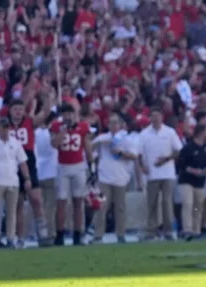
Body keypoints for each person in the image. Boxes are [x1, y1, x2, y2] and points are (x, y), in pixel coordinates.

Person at [6, 97, 52, 246]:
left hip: (28, 161)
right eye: (15, 109)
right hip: (12, 163)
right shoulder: (5, 125)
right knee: (18, 203)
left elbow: (45, 113)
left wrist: (47, 96)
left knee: (36, 199)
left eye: (20, 109)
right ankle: (20, 237)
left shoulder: (29, 122)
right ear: (10, 111)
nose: (18, 112)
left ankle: (42, 233)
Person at [0, 117, 32, 249]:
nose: (5, 131)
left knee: (11, 211)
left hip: (13, 181)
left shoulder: (15, 143)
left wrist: (27, 178)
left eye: (6, 128)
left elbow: (22, 163)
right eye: (2, 128)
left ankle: (10, 238)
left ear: (9, 129)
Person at [49, 104, 93, 246]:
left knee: (78, 202)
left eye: (70, 113)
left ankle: (77, 234)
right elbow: (55, 144)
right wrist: (63, 131)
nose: (68, 116)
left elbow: (87, 146)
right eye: (65, 114)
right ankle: (60, 234)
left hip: (79, 166)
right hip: (63, 167)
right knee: (61, 202)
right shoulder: (57, 126)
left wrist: (92, 166)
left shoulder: (83, 127)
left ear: (75, 114)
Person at [91, 114, 138, 243]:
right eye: (111, 123)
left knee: (120, 207)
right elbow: (90, 150)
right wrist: (99, 143)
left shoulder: (126, 139)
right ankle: (98, 234)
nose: (113, 125)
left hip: (120, 178)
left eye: (116, 123)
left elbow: (134, 156)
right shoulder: (102, 138)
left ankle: (120, 234)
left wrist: (121, 153)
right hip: (104, 177)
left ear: (121, 124)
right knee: (102, 207)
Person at [138, 108, 183, 240]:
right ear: (150, 118)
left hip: (168, 173)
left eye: (158, 116)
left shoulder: (169, 132)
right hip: (152, 174)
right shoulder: (144, 134)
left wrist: (166, 159)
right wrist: (142, 167)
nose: (156, 119)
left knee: (166, 202)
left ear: (162, 117)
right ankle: (151, 230)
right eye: (153, 116)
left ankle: (168, 230)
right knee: (152, 203)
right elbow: (139, 154)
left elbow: (178, 150)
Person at [178, 125, 206, 240]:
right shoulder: (188, 148)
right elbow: (181, 164)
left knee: (198, 206)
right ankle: (187, 229)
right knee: (188, 203)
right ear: (200, 133)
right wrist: (193, 170)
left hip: (200, 181)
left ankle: (196, 230)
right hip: (186, 180)